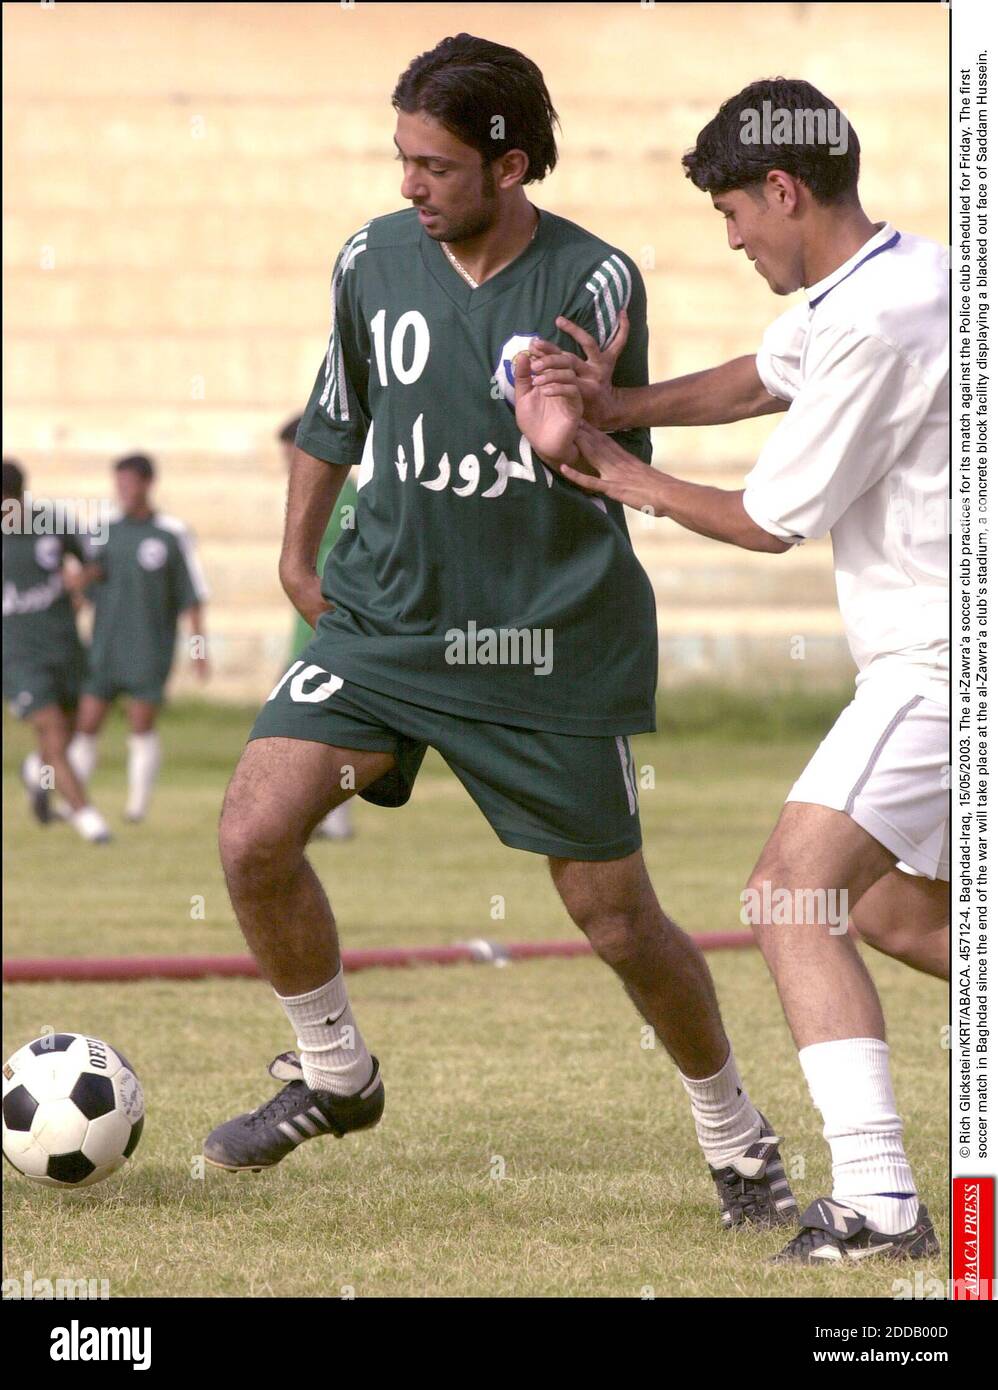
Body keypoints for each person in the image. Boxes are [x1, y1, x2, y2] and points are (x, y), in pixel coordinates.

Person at [204, 35, 798, 1238]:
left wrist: (553, 414)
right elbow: (336, 415)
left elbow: (572, 395)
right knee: (252, 833)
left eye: (434, 165)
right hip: (384, 618)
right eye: (401, 160)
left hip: (540, 638)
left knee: (616, 919)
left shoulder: (594, 276)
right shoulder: (371, 257)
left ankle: (737, 1140)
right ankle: (333, 1073)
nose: (410, 185)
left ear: (508, 163)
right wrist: (292, 555)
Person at [526, 77, 946, 1263]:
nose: (729, 239)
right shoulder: (892, 277)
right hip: (939, 654)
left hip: (947, 662)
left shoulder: (879, 315)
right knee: (884, 906)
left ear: (782, 187)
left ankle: (875, 1208)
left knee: (787, 892)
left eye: (731, 212)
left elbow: (768, 518)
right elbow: (765, 374)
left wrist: (606, 459)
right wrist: (623, 398)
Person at [71, 453, 210, 823]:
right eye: (118, 483)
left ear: (148, 483)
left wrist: (199, 649)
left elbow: (192, 597)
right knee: (86, 723)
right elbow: (85, 589)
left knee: (140, 723)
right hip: (105, 646)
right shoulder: (103, 530)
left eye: (129, 483)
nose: (123, 490)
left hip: (150, 648)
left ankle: (136, 808)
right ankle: (72, 802)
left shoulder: (171, 533)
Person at [2, 459, 111, 843]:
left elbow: (97, 558)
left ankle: (36, 771)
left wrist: (82, 581)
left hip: (64, 649)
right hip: (16, 659)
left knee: (67, 732)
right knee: (52, 728)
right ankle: (89, 820)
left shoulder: (51, 523)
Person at [279, 414, 356, 842]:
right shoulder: (306, 501)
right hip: (305, 631)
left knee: (319, 726)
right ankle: (326, 820)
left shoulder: (347, 500)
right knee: (316, 726)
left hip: (331, 628)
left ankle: (329, 820)